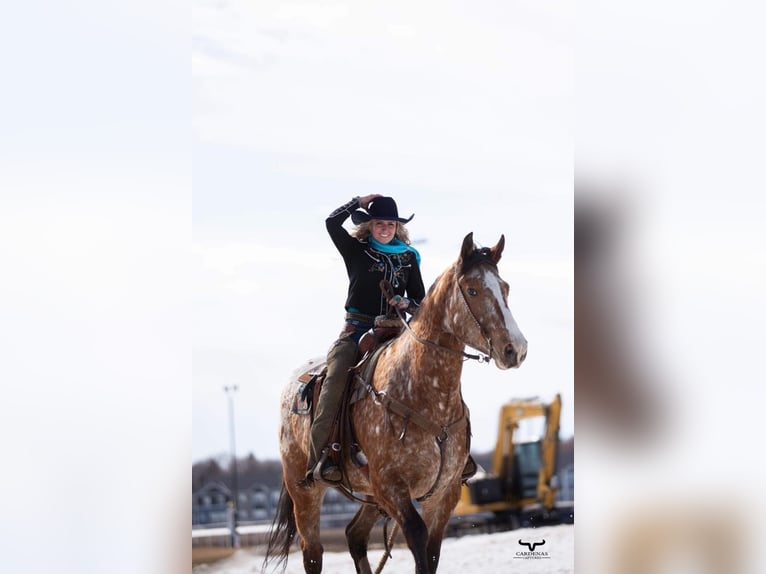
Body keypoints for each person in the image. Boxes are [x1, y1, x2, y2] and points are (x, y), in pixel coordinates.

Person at [305, 195, 425, 483]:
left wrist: (406, 303)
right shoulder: (355, 250)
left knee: (436, 372)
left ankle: (452, 449)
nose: (385, 228)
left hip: (398, 333)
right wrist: (356, 201)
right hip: (357, 332)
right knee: (334, 384)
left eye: (390, 224)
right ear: (370, 225)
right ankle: (322, 458)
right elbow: (331, 223)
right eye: (379, 223)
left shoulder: (409, 258)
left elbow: (421, 301)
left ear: (398, 227)